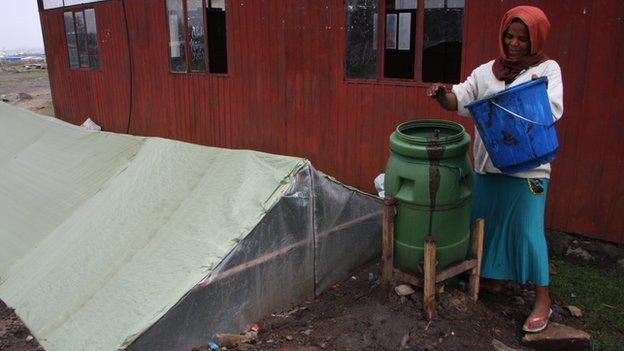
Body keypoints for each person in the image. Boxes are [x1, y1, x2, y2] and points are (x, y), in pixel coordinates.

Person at [426, 5, 563, 333]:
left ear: (535, 39)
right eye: (509, 36)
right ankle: (491, 279)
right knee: (483, 224)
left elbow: (552, 109)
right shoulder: (487, 71)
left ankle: (542, 298)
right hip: (489, 166)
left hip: (529, 168)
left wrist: (511, 110)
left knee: (529, 232)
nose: (514, 43)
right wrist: (443, 94)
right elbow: (461, 98)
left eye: (522, 38)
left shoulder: (546, 70)